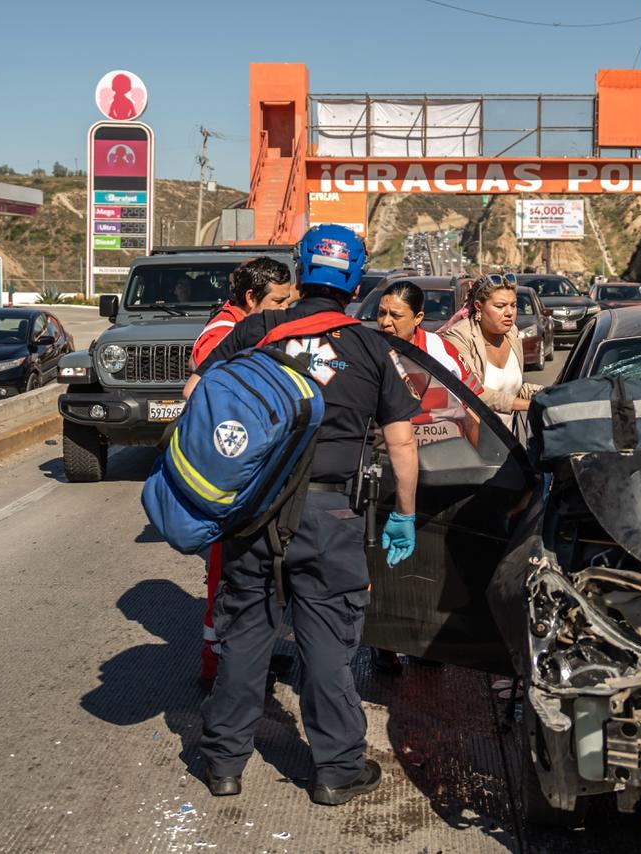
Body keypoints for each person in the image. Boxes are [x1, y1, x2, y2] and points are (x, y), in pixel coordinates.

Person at [189, 225, 422, 807]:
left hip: (255, 511)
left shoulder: (259, 329)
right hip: (330, 514)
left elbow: (197, 393)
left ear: (301, 271)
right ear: (357, 282)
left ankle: (223, 765)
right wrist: (405, 514)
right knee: (327, 643)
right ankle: (337, 771)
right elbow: (402, 442)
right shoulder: (371, 346)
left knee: (246, 637)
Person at [368, 279, 482, 676]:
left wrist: (476, 461)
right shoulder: (370, 348)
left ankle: (426, 642)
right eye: (381, 313)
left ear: (418, 318)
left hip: (439, 469)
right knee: (385, 561)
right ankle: (383, 643)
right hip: (386, 470)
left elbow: (473, 406)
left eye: (395, 316)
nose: (385, 322)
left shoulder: (440, 351)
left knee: (430, 561)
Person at [191, 257, 296, 685]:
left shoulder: (244, 325)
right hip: (232, 477)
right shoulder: (222, 333)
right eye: (278, 302)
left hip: (246, 472)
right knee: (227, 579)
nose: (285, 310)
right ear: (251, 298)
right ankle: (218, 668)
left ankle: (248, 658)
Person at [440, 275, 541, 427]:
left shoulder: (512, 333)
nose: (509, 312)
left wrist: (547, 393)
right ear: (479, 306)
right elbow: (473, 392)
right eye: (500, 306)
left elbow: (511, 388)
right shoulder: (459, 337)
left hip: (507, 437)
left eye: (513, 305)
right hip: (470, 436)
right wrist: (527, 405)